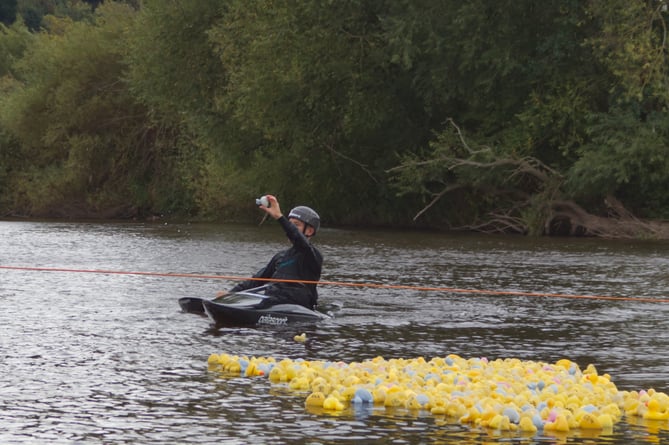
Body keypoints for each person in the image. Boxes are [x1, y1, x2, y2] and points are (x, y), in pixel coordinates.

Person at [216, 195, 323, 310]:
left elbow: (299, 241)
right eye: (290, 223)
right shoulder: (280, 257)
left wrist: (279, 217)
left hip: (296, 307)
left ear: (310, 230)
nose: (290, 227)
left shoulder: (312, 255)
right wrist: (229, 295)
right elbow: (256, 281)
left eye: (296, 224)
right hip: (271, 303)